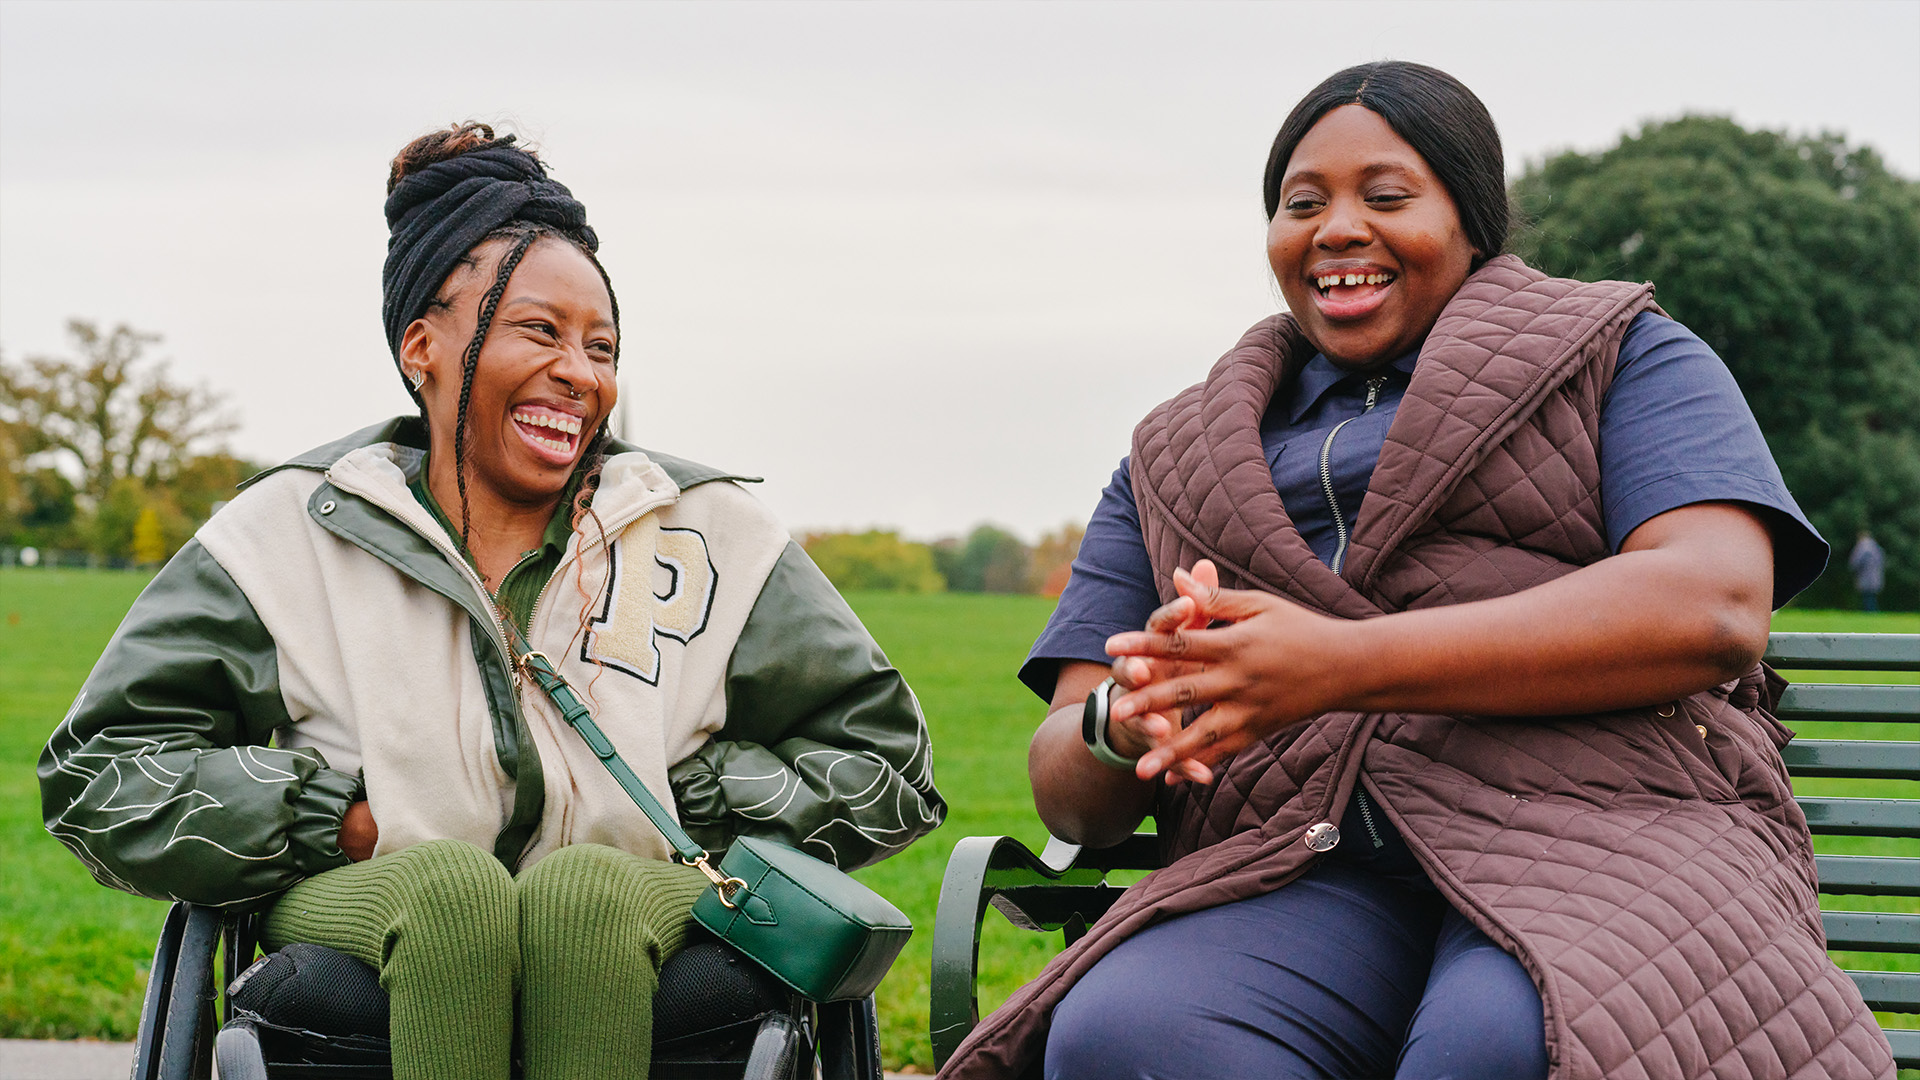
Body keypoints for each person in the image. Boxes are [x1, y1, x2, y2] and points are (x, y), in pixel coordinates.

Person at [938, 63, 1891, 1080]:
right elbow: (1071, 800)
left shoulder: (1622, 356)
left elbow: (1713, 603)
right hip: (1297, 862)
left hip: (1606, 833)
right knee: (1128, 1037)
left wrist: (1340, 663)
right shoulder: (1174, 455)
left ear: (1472, 219)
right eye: (1302, 204)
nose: (1337, 228)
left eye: (1387, 197)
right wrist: (1123, 722)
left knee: (1510, 1045)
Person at [40, 123, 944, 1080]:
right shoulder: (287, 532)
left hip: (643, 895)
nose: (581, 373)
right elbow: (102, 770)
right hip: (373, 893)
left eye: (602, 346)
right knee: (448, 893)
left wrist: (693, 797)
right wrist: (332, 818)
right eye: (539, 331)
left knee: (585, 894)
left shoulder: (708, 532)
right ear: (423, 346)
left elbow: (886, 762)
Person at [1851, 530, 1886, 612]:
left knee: (1867, 596)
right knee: (1872, 596)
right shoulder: (1875, 546)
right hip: (1875, 574)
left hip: (1865, 575)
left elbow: (1855, 561)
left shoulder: (1862, 546)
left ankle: (1870, 612)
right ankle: (1872, 611)